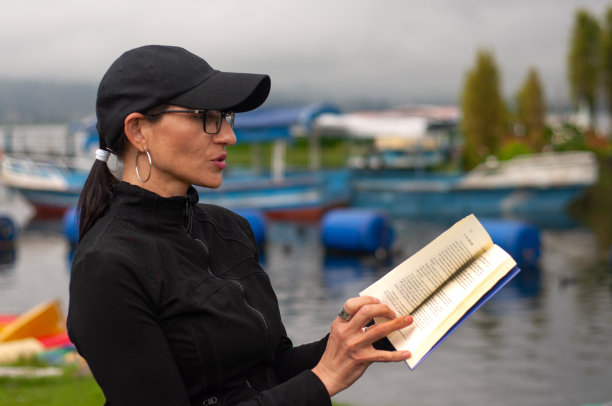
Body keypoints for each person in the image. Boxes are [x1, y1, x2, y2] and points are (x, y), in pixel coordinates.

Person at [67, 45, 413, 406]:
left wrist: (357, 339)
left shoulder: (229, 230)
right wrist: (322, 380)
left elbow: (270, 369)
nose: (228, 136)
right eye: (206, 116)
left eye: (224, 117)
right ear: (138, 131)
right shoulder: (107, 267)